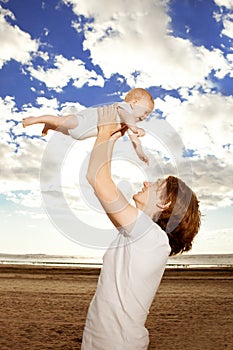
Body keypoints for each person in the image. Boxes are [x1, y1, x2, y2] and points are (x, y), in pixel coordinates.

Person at [81, 104, 201, 349]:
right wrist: (113, 137)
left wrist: (104, 133)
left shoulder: (150, 237)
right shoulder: (139, 233)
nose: (146, 183)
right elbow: (99, 179)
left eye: (156, 185)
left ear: (165, 202)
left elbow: (97, 179)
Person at [22, 88, 154, 164]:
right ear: (134, 103)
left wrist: (140, 153)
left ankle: (50, 126)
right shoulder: (125, 108)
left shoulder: (129, 124)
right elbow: (126, 116)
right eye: (145, 112)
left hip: (80, 134)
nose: (145, 117)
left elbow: (134, 139)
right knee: (61, 121)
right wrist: (135, 128)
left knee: (64, 130)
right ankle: (35, 119)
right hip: (82, 121)